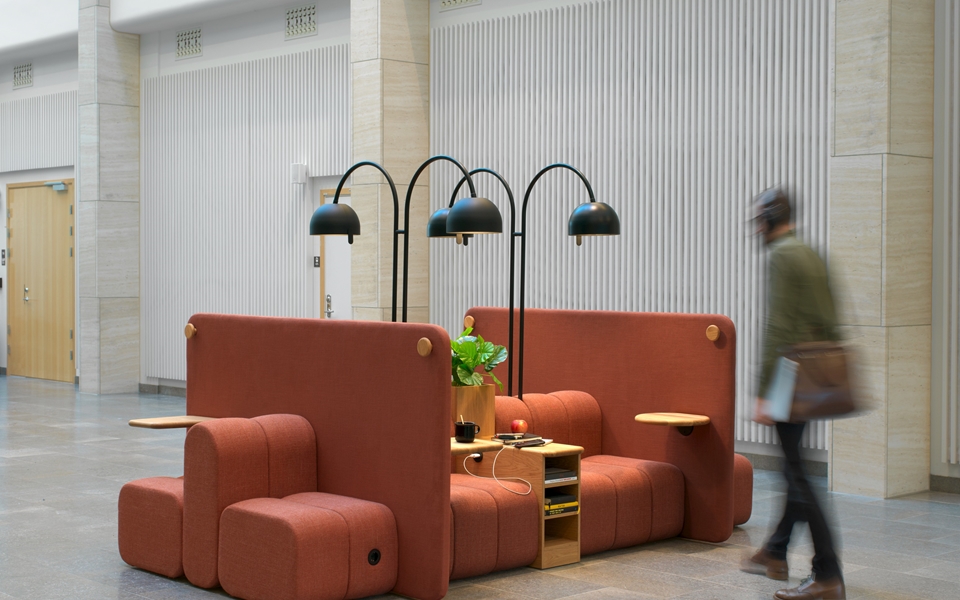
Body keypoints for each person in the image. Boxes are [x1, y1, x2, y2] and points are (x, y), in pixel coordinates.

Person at [740, 188, 845, 600]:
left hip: (789, 379)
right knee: (793, 468)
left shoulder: (782, 255)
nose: (757, 229)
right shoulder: (811, 253)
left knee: (798, 477)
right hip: (815, 377)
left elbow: (778, 328)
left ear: (769, 219)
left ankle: (827, 573)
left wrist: (765, 392)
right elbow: (830, 323)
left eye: (759, 221)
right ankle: (776, 551)